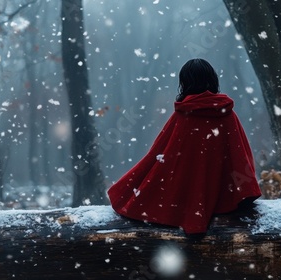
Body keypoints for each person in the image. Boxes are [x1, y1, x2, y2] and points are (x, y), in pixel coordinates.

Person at [107, 58, 262, 234]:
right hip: (224, 201)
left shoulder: (183, 116)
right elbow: (240, 157)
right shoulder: (226, 114)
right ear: (212, 80)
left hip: (185, 203)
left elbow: (160, 158)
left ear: (185, 83)